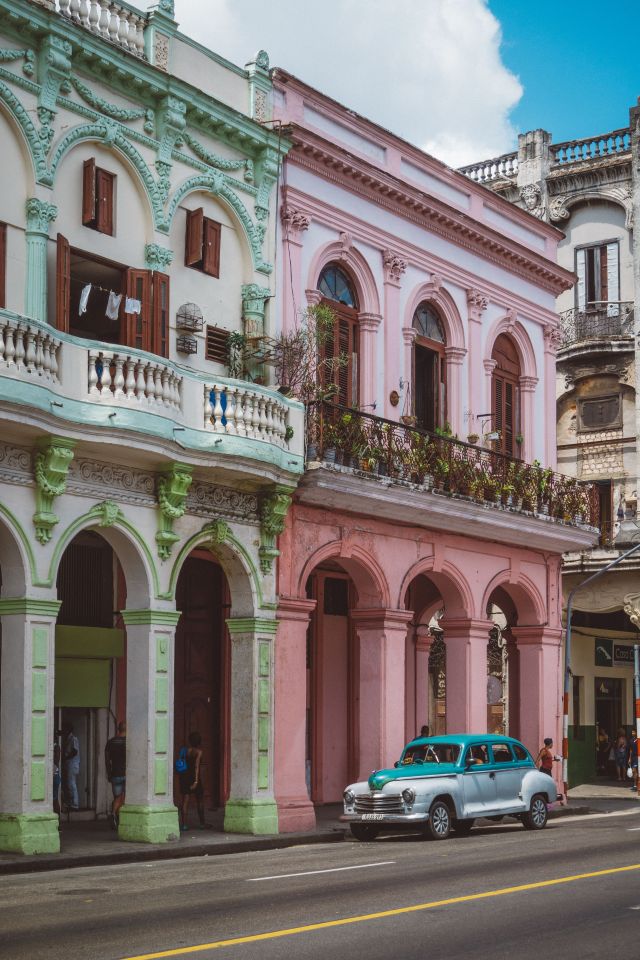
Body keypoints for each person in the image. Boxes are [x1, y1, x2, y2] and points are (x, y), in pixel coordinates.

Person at [178, 731, 205, 831]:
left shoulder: (184, 750)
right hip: (193, 777)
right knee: (200, 800)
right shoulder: (199, 752)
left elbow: (180, 762)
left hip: (184, 777)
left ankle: (184, 825)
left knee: (185, 800)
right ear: (199, 741)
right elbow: (196, 766)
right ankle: (202, 823)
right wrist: (196, 781)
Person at [105, 720, 127, 829]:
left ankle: (114, 814)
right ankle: (123, 818)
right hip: (128, 774)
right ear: (127, 729)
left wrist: (109, 773)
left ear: (118, 729)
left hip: (115, 774)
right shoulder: (129, 742)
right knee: (127, 798)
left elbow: (107, 760)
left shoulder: (111, 742)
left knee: (117, 798)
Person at [61, 722, 80, 810]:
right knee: (68, 783)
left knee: (71, 783)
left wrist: (66, 757)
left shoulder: (73, 739)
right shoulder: (68, 738)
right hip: (69, 763)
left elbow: (74, 751)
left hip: (72, 764)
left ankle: (75, 803)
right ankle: (71, 802)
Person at [53, 739, 61, 816]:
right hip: (54, 775)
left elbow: (56, 760)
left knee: (54, 800)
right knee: (54, 800)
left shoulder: (56, 747)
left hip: (54, 775)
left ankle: (58, 823)